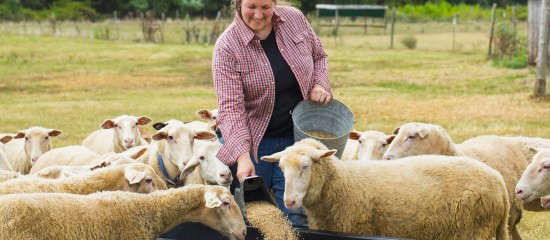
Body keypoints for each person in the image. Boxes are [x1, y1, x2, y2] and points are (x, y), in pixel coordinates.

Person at [212, 0, 331, 228]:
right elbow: (230, 108)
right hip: (255, 143)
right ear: (238, 4)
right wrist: (242, 156)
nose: (258, 14)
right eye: (251, 6)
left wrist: (319, 84)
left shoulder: (293, 20)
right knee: (254, 216)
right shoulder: (227, 46)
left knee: (296, 215)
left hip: (296, 140)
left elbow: (319, 56)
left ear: (274, 4)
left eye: (265, 7)